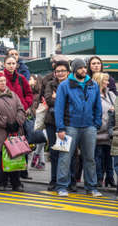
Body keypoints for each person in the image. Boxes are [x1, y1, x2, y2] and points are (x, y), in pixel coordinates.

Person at [54, 58, 102, 197]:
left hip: (89, 127)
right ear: (74, 69)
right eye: (80, 68)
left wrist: (96, 124)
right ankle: (62, 186)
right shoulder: (64, 85)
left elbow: (97, 106)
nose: (83, 70)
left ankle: (91, 187)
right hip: (70, 127)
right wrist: (60, 128)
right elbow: (59, 108)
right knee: (65, 158)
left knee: (90, 158)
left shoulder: (93, 84)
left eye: (84, 68)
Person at [0, 71, 27, 191]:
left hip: (15, 131)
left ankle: (16, 183)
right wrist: (6, 123)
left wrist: (17, 122)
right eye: (0, 81)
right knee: (0, 159)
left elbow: (21, 109)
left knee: (16, 157)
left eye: (4, 80)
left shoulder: (13, 95)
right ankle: (1, 182)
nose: (3, 83)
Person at [44, 60, 75, 191]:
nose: (60, 73)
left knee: (70, 153)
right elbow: (49, 100)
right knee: (54, 151)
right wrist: (60, 99)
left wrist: (58, 98)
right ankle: (54, 180)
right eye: (57, 71)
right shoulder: (50, 84)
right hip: (52, 122)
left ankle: (71, 180)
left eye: (63, 71)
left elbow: (73, 101)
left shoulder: (73, 85)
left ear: (68, 72)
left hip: (70, 122)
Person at [92, 72, 116, 188]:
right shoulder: (93, 94)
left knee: (109, 158)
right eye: (105, 81)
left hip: (109, 132)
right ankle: (99, 178)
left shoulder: (111, 95)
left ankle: (110, 179)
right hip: (97, 131)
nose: (108, 83)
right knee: (98, 157)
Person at [28, 74, 46, 170]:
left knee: (42, 138)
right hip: (31, 118)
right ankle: (41, 161)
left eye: (30, 79)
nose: (28, 80)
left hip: (39, 117)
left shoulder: (39, 93)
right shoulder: (27, 91)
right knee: (39, 138)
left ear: (36, 81)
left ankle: (36, 154)